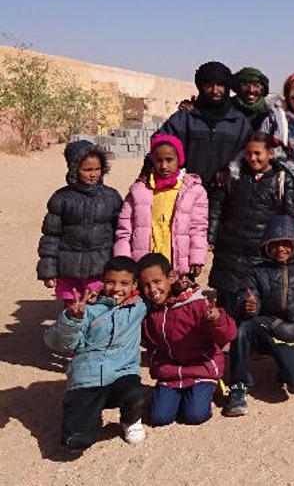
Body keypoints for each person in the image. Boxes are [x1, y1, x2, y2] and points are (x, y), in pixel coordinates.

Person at [223, 215, 294, 417]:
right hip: (266, 331)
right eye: (274, 245)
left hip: (293, 338)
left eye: (286, 244)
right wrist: (250, 306)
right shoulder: (256, 271)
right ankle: (238, 387)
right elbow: (248, 295)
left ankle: (284, 366)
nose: (280, 249)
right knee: (243, 327)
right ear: (266, 246)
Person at [44, 256, 148, 450]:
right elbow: (55, 343)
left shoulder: (140, 307)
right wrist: (71, 319)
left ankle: (130, 420)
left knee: (138, 393)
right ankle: (89, 413)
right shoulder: (87, 309)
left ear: (135, 284)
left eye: (124, 283)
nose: (117, 288)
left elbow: (162, 291)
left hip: (122, 375)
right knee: (75, 441)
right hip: (88, 378)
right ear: (102, 282)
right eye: (110, 282)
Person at [208, 131, 294, 316]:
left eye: (258, 153)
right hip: (229, 250)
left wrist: (293, 250)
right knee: (225, 307)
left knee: (254, 303)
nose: (252, 158)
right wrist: (211, 236)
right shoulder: (234, 176)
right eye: (248, 153)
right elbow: (217, 206)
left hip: (260, 254)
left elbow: (291, 218)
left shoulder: (282, 180)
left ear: (270, 153)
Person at [139, 253, 236, 426]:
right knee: (159, 418)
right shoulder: (152, 313)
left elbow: (228, 335)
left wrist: (217, 319)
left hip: (200, 368)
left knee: (194, 415)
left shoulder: (197, 304)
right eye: (146, 285)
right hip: (170, 372)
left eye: (157, 281)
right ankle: (181, 395)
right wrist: (155, 360)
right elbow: (149, 341)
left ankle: (207, 389)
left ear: (171, 277)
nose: (152, 289)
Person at [38, 141, 122, 308]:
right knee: (73, 313)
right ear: (74, 169)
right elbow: (51, 236)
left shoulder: (112, 197)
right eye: (87, 170)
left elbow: (120, 234)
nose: (93, 174)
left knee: (98, 312)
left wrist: (120, 266)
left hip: (100, 269)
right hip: (69, 271)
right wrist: (48, 270)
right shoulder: (61, 198)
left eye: (97, 169)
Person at [114, 134, 208, 277]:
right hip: (144, 267)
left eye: (169, 160)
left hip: (178, 267)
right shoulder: (139, 191)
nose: (164, 166)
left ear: (179, 159)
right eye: (159, 160)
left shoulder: (193, 191)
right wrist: (124, 262)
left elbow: (198, 228)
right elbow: (124, 230)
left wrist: (196, 258)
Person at [155, 61, 252, 183]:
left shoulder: (239, 123)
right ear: (201, 87)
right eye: (209, 85)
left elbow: (249, 158)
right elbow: (159, 145)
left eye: (220, 85)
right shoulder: (184, 119)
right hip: (187, 194)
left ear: (227, 87)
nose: (215, 90)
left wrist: (231, 172)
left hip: (226, 196)